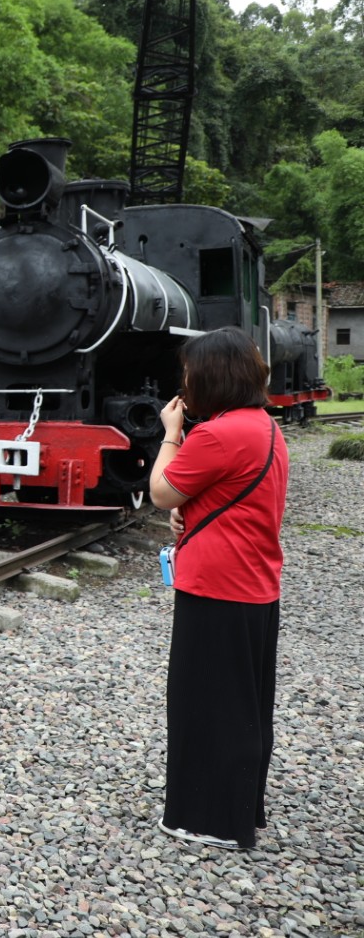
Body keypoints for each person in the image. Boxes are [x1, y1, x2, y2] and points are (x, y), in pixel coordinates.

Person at [149, 327, 288, 851]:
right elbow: (238, 499)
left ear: (211, 376)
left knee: (205, 705)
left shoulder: (216, 434)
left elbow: (161, 492)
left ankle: (209, 820)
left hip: (217, 587)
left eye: (189, 373)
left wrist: (171, 433)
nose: (184, 383)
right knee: (243, 706)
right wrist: (192, 513)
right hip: (254, 584)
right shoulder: (264, 426)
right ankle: (239, 809)